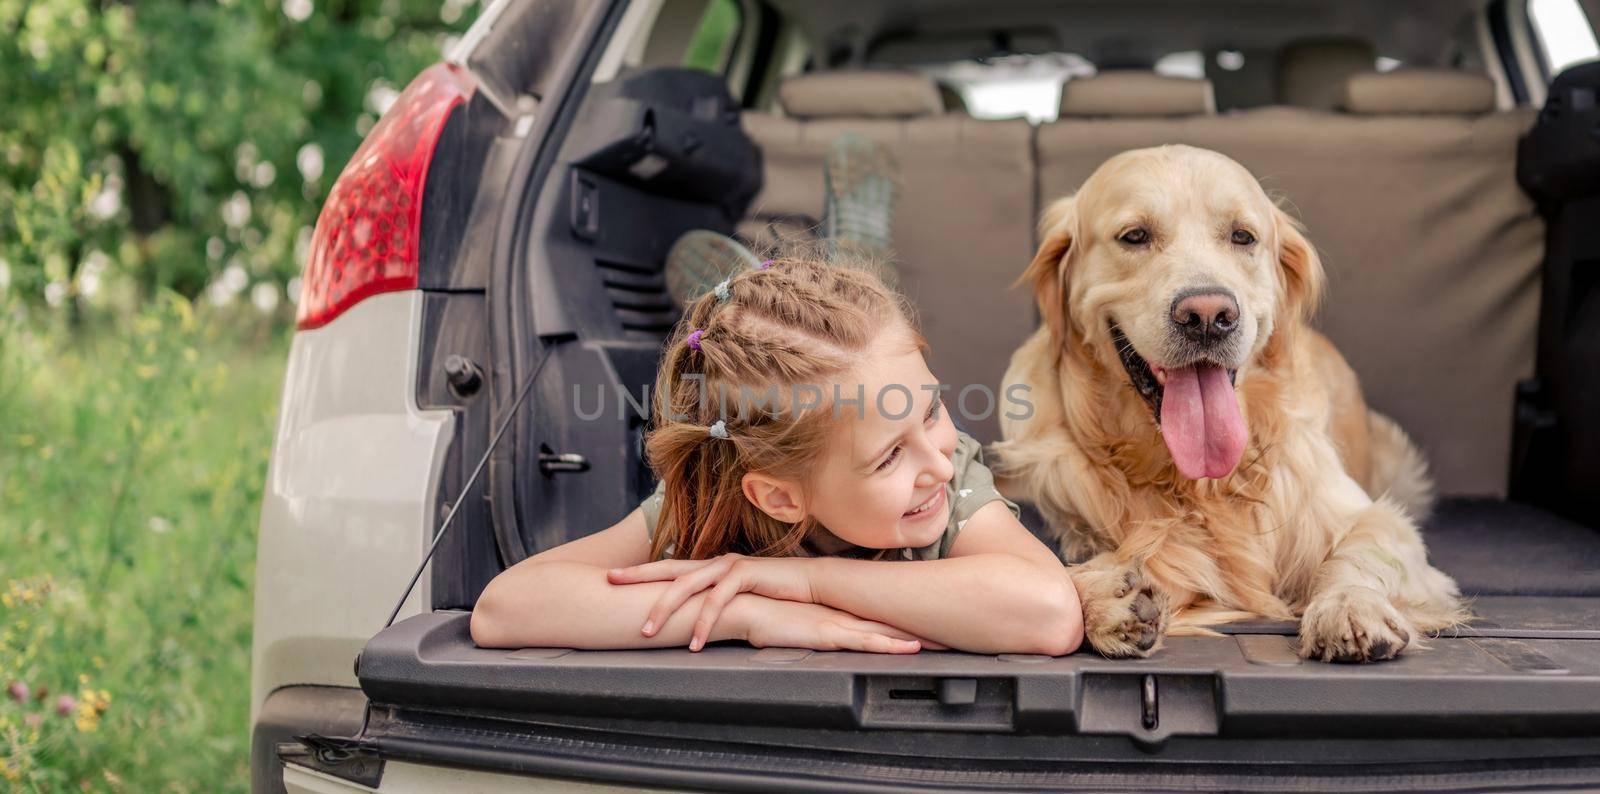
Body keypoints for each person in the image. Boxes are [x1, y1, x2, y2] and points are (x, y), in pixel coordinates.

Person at [470, 249, 1083, 656]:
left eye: (932, 411)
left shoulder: (945, 487)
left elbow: (1049, 613)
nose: (940, 463)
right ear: (779, 497)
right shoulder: (708, 511)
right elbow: (505, 609)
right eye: (889, 457)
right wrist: (746, 616)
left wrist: (806, 581)